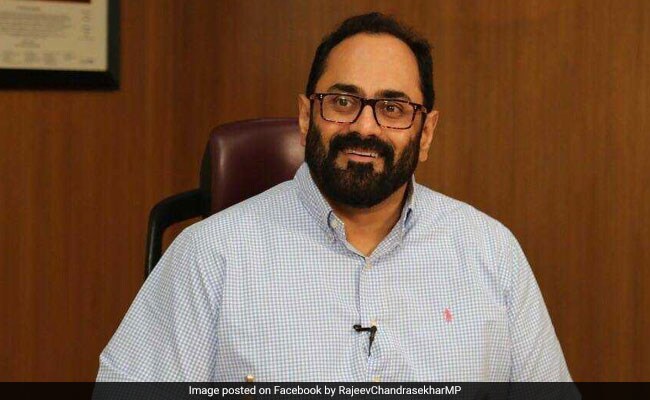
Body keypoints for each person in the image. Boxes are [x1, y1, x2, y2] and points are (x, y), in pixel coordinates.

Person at [97, 12, 571, 382]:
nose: (365, 127)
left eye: (393, 108)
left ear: (425, 133)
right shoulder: (209, 256)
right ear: (306, 117)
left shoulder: (492, 253)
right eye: (343, 102)